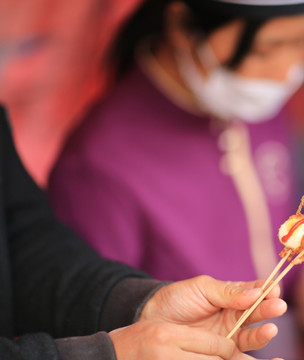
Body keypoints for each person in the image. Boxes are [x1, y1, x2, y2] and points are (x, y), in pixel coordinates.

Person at [47, 0, 304, 355]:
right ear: (181, 24)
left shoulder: (260, 106)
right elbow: (93, 328)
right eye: (266, 49)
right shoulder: (99, 163)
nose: (286, 70)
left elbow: (273, 252)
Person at [0, 104, 287, 359]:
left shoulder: (267, 116)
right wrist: (108, 354)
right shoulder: (100, 155)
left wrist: (142, 303)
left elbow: (23, 238)